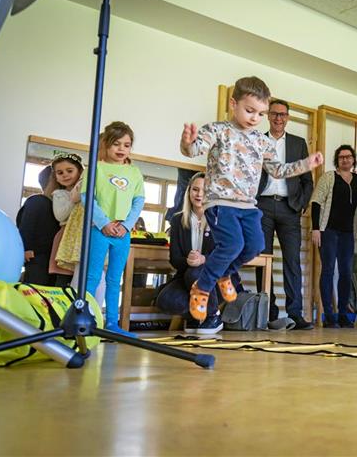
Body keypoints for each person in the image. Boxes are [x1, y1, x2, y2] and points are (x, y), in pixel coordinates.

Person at [180, 76, 323, 322]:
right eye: (249, 111)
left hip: (248, 205)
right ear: (233, 104)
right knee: (232, 244)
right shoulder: (217, 130)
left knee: (255, 246)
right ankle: (202, 288)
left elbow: (278, 170)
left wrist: (305, 165)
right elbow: (194, 150)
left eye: (260, 113)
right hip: (221, 203)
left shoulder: (262, 140)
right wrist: (186, 143)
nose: (255, 118)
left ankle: (225, 274)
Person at [156, 172, 240, 334]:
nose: (199, 194)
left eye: (205, 190)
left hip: (219, 280)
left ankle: (212, 315)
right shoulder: (177, 220)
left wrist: (204, 259)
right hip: (187, 277)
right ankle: (195, 316)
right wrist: (188, 261)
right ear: (188, 192)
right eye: (195, 189)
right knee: (166, 300)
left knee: (196, 273)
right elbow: (175, 259)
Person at [255, 99, 314, 329]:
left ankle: (295, 313)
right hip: (262, 206)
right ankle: (268, 312)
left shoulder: (298, 144)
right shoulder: (257, 141)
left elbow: (307, 180)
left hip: (290, 209)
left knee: (292, 262)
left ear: (288, 118)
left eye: (283, 115)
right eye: (275, 114)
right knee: (263, 258)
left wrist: (300, 204)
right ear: (268, 116)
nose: (279, 118)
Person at [83, 121, 145, 338]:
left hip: (123, 233)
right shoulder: (96, 167)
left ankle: (112, 323)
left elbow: (139, 201)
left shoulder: (134, 172)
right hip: (100, 230)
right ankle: (84, 319)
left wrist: (126, 225)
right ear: (106, 145)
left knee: (114, 278)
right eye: (116, 144)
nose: (121, 149)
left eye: (126, 145)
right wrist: (104, 223)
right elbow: (86, 197)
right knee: (91, 277)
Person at [310, 145, 357, 328]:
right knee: (328, 270)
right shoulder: (328, 177)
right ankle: (329, 314)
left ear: (353, 160)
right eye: (341, 157)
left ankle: (343, 313)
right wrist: (316, 229)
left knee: (346, 272)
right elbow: (316, 202)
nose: (345, 160)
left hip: (348, 233)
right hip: (328, 231)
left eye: (348, 157)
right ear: (337, 160)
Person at [17, 166, 60, 285]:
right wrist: (26, 249)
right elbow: (26, 226)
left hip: (53, 259)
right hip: (37, 257)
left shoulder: (59, 206)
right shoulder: (38, 201)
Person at [48, 152, 84, 287]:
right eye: (60, 172)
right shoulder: (59, 194)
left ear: (79, 172)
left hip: (80, 236)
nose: (65, 175)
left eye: (69, 171)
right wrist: (75, 196)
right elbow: (60, 215)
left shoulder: (86, 193)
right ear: (56, 177)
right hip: (66, 236)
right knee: (63, 278)